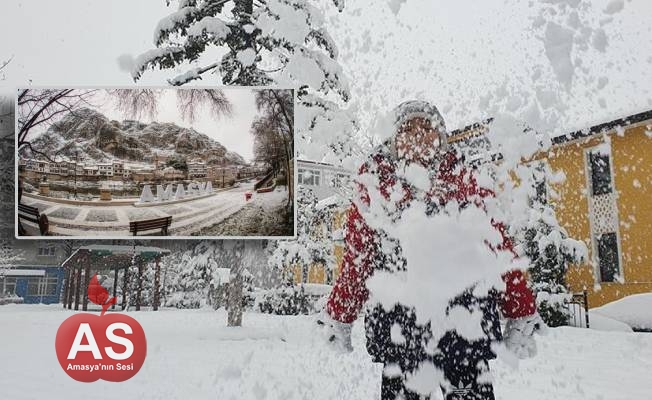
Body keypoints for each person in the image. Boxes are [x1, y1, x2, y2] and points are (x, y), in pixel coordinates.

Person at [317, 100, 545, 400]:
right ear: (394, 138)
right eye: (408, 128)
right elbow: (359, 258)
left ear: (441, 136)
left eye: (426, 127)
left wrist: (522, 310)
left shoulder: (466, 178)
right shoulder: (375, 183)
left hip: (465, 324)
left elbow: (499, 247)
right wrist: (340, 313)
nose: (418, 135)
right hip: (400, 327)